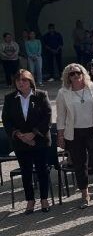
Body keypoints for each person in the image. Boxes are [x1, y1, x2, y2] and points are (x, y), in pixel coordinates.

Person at [56, 62, 93, 208]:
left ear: (83, 74)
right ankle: (84, 194)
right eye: (71, 73)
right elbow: (61, 116)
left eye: (77, 73)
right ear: (67, 76)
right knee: (80, 164)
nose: (75, 76)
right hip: (74, 133)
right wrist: (60, 136)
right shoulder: (63, 92)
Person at [2, 69, 52, 213]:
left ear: (30, 81)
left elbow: (47, 117)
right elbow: (7, 120)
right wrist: (19, 134)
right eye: (18, 81)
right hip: (20, 142)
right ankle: (30, 200)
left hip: (39, 141)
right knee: (26, 172)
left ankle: (44, 199)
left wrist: (33, 134)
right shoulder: (10, 98)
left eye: (24, 80)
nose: (21, 83)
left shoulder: (41, 95)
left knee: (42, 170)